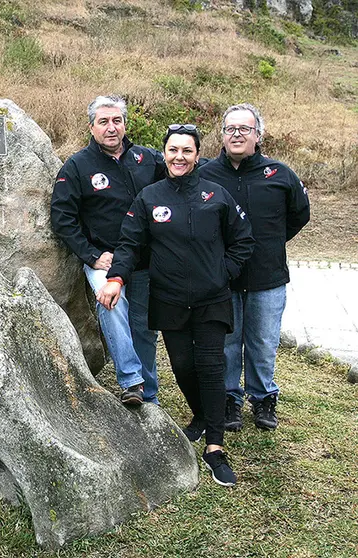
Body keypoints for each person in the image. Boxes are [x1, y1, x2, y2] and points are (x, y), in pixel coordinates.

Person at [98, 124, 255, 486]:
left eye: (187, 151)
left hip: (211, 300)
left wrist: (223, 273)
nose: (179, 157)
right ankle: (202, 416)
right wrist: (116, 278)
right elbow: (129, 244)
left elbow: (243, 241)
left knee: (211, 367)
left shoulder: (215, 195)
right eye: (173, 150)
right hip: (168, 299)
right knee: (183, 367)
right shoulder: (150, 197)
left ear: (198, 155)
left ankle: (215, 446)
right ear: (164, 154)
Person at [201, 104, 310, 432]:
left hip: (267, 278)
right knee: (229, 342)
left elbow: (299, 215)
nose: (236, 135)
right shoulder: (205, 175)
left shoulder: (280, 174)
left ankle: (263, 398)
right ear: (222, 135)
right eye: (230, 129)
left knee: (263, 342)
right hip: (223, 278)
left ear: (258, 135)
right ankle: (230, 400)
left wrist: (273, 242)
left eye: (244, 129)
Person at [51, 95, 166, 405]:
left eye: (116, 121)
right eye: (103, 122)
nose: (111, 127)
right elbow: (62, 218)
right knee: (110, 304)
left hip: (144, 260)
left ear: (125, 124)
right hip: (104, 259)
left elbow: (180, 176)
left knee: (143, 328)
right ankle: (131, 381)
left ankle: (149, 395)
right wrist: (91, 255)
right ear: (92, 127)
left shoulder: (147, 159)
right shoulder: (77, 166)